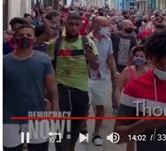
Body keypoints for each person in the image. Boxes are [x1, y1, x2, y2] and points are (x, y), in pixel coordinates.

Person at [48, 13, 100, 151]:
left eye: (77, 25)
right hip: (61, 90)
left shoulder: (88, 43)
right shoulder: (55, 44)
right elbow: (50, 67)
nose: (73, 27)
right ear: (65, 24)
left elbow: (95, 67)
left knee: (76, 127)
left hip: (80, 90)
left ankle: (71, 148)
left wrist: (91, 59)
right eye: (70, 24)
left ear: (81, 26)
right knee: (61, 127)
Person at [3, 24, 59, 151]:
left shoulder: (43, 60)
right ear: (15, 38)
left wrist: (55, 107)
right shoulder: (4, 62)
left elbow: (51, 87)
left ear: (34, 39)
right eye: (21, 35)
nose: (25, 37)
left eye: (29, 35)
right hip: (9, 118)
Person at [87, 16, 118, 146]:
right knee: (85, 105)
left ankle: (96, 133)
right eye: (103, 24)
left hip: (101, 78)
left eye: (107, 24)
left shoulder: (108, 40)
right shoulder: (86, 40)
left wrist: (114, 71)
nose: (106, 27)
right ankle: (83, 128)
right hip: (86, 77)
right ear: (94, 25)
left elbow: (110, 57)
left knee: (100, 106)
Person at [114, 45, 149, 151]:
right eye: (137, 55)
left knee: (144, 137)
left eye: (142, 56)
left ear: (146, 59)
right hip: (129, 108)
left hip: (143, 108)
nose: (139, 58)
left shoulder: (148, 73)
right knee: (131, 137)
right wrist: (120, 105)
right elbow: (117, 89)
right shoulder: (127, 71)